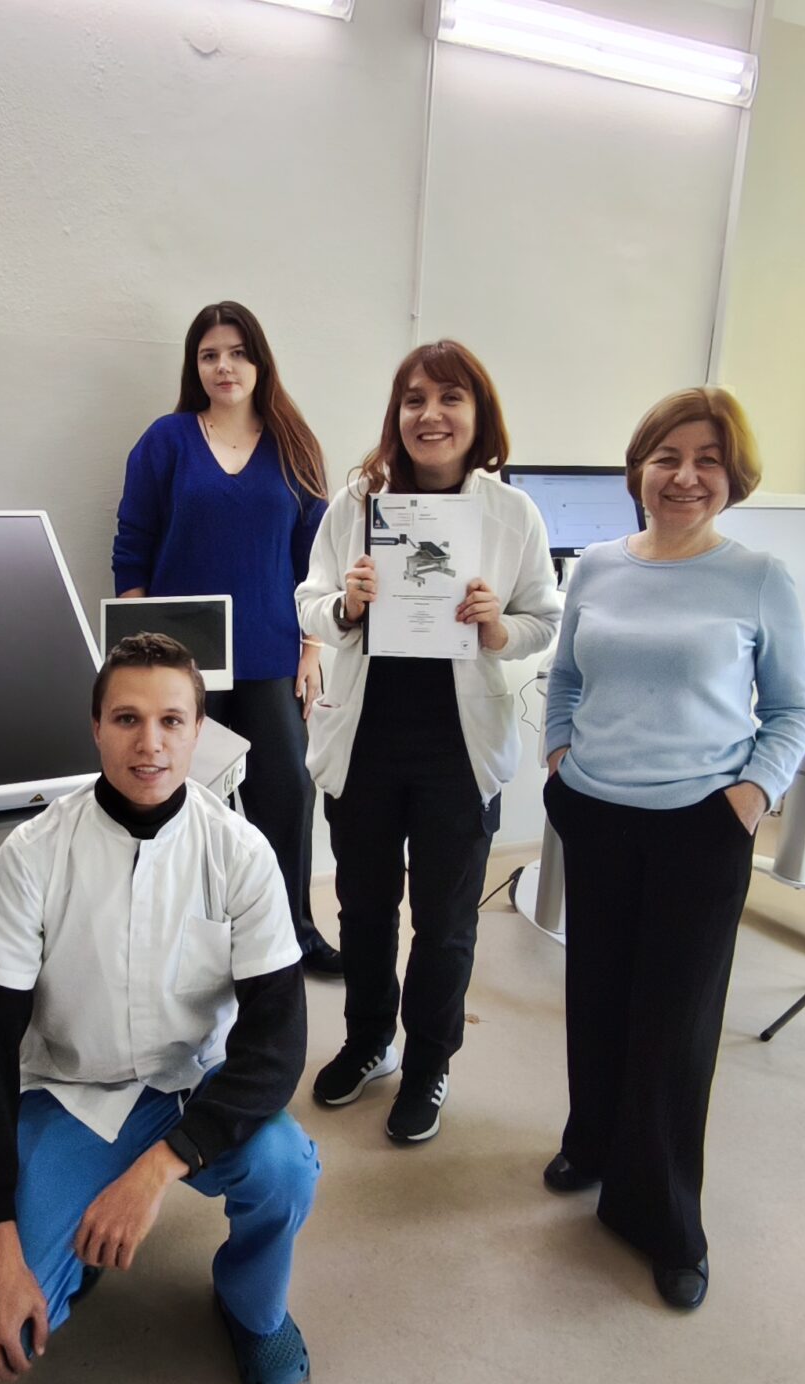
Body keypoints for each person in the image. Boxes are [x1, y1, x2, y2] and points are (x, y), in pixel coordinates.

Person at [0, 634, 319, 1384]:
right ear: (95, 727)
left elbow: (278, 1043)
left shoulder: (240, 853)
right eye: (126, 719)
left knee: (284, 1167)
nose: (150, 743)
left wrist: (157, 1171)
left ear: (198, 730)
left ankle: (255, 1308)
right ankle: (73, 1244)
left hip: (200, 1085)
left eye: (171, 721)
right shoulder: (32, 857)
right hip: (75, 1092)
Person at [539, 386, 805, 1311]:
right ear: (639, 470)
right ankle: (590, 1143)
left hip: (701, 824)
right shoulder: (596, 566)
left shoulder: (759, 578)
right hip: (596, 811)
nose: (685, 476)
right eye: (667, 457)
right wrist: (558, 758)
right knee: (598, 998)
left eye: (707, 460)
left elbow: (793, 710)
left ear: (734, 477)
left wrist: (751, 795)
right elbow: (565, 679)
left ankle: (664, 1219)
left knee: (674, 1024)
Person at [293, 340, 561, 1144]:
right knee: (364, 909)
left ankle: (428, 1063)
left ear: (479, 416)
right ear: (397, 414)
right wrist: (345, 606)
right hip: (365, 741)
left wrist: (498, 627)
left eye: (450, 399)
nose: (430, 415)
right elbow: (307, 601)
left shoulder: (511, 514)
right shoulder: (358, 503)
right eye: (414, 399)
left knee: (444, 924)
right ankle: (369, 1040)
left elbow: (543, 621)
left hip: (458, 750)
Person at [113, 301, 340, 975]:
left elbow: (317, 558)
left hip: (270, 654)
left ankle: (292, 933)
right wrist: (138, 654)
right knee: (180, 801)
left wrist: (312, 648)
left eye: (238, 353)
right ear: (196, 366)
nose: (224, 366)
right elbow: (132, 546)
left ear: (259, 362)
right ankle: (185, 943)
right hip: (183, 665)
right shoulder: (167, 441)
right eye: (210, 354)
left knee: (286, 793)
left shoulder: (293, 444)